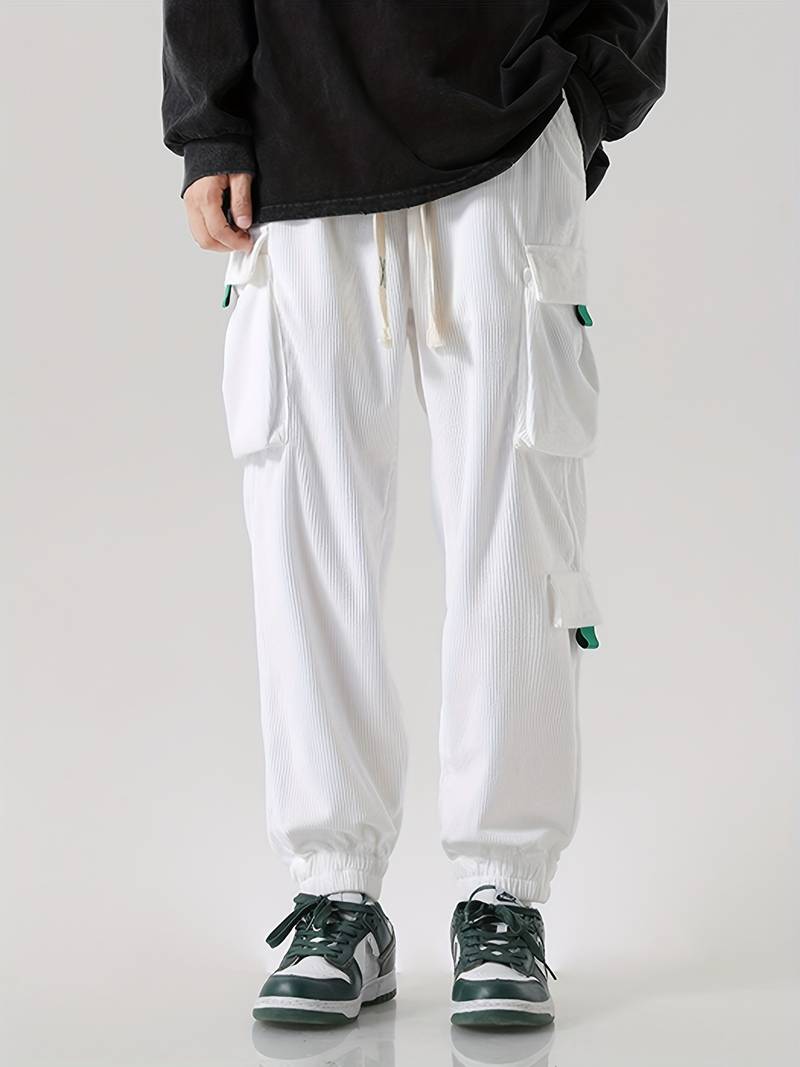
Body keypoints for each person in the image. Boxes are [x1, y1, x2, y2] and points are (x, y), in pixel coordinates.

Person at [162, 0, 667, 1029]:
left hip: (508, 121)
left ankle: (504, 893)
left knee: (515, 532)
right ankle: (334, 890)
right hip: (297, 128)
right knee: (305, 537)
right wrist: (211, 121)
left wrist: (586, 90)